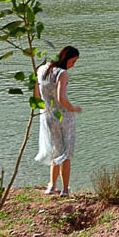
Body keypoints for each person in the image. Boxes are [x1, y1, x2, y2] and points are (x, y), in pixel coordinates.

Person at [34, 46, 82, 196]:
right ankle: (65, 189)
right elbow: (61, 98)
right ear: (66, 58)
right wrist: (73, 108)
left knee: (56, 150)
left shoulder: (41, 69)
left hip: (47, 115)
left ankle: (51, 186)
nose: (73, 65)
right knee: (66, 153)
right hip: (63, 116)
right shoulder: (62, 73)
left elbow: (36, 95)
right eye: (73, 61)